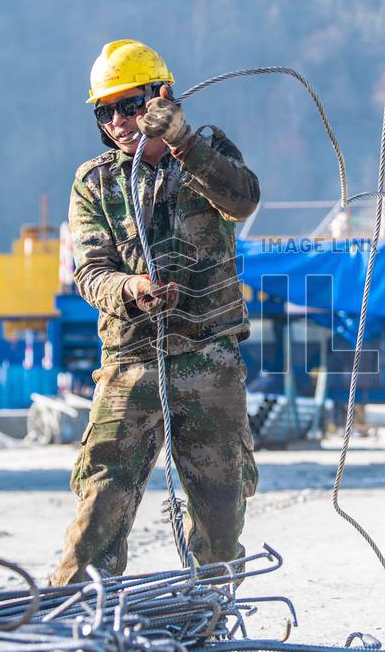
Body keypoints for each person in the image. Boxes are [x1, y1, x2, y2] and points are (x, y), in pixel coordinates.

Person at [48, 39, 260, 586]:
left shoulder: (207, 153)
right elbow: (90, 271)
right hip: (132, 359)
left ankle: (210, 618)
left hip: (208, 358)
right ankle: (76, 619)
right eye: (107, 110)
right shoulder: (94, 181)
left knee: (219, 509)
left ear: (162, 96)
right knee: (100, 506)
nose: (119, 119)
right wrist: (131, 289)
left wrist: (184, 142)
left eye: (131, 104)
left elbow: (242, 200)